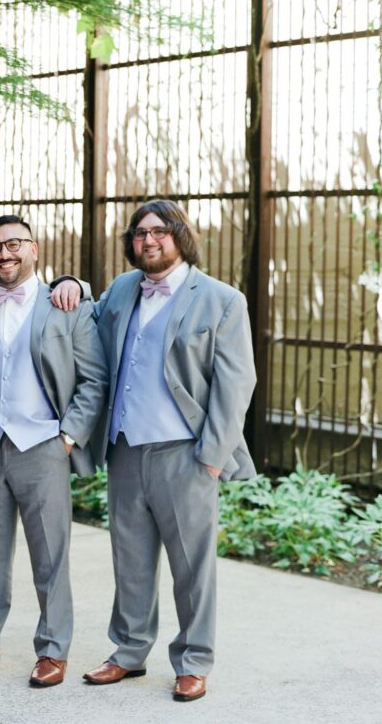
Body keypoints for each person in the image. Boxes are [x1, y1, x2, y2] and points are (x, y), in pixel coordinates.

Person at [81, 199, 256, 702]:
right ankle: (129, 652)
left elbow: (235, 383)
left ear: (180, 236)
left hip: (187, 452)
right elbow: (82, 326)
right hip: (125, 448)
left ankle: (194, 660)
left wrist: (213, 455)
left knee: (191, 566)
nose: (148, 240)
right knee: (129, 560)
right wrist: (68, 283)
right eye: (139, 233)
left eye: (158, 231)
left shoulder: (221, 300)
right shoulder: (120, 290)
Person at [0, 214, 108, 688]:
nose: (5, 254)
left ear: (34, 248)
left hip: (44, 446)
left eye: (15, 244)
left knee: (50, 556)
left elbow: (95, 379)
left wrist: (68, 437)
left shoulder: (65, 304)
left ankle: (53, 648)